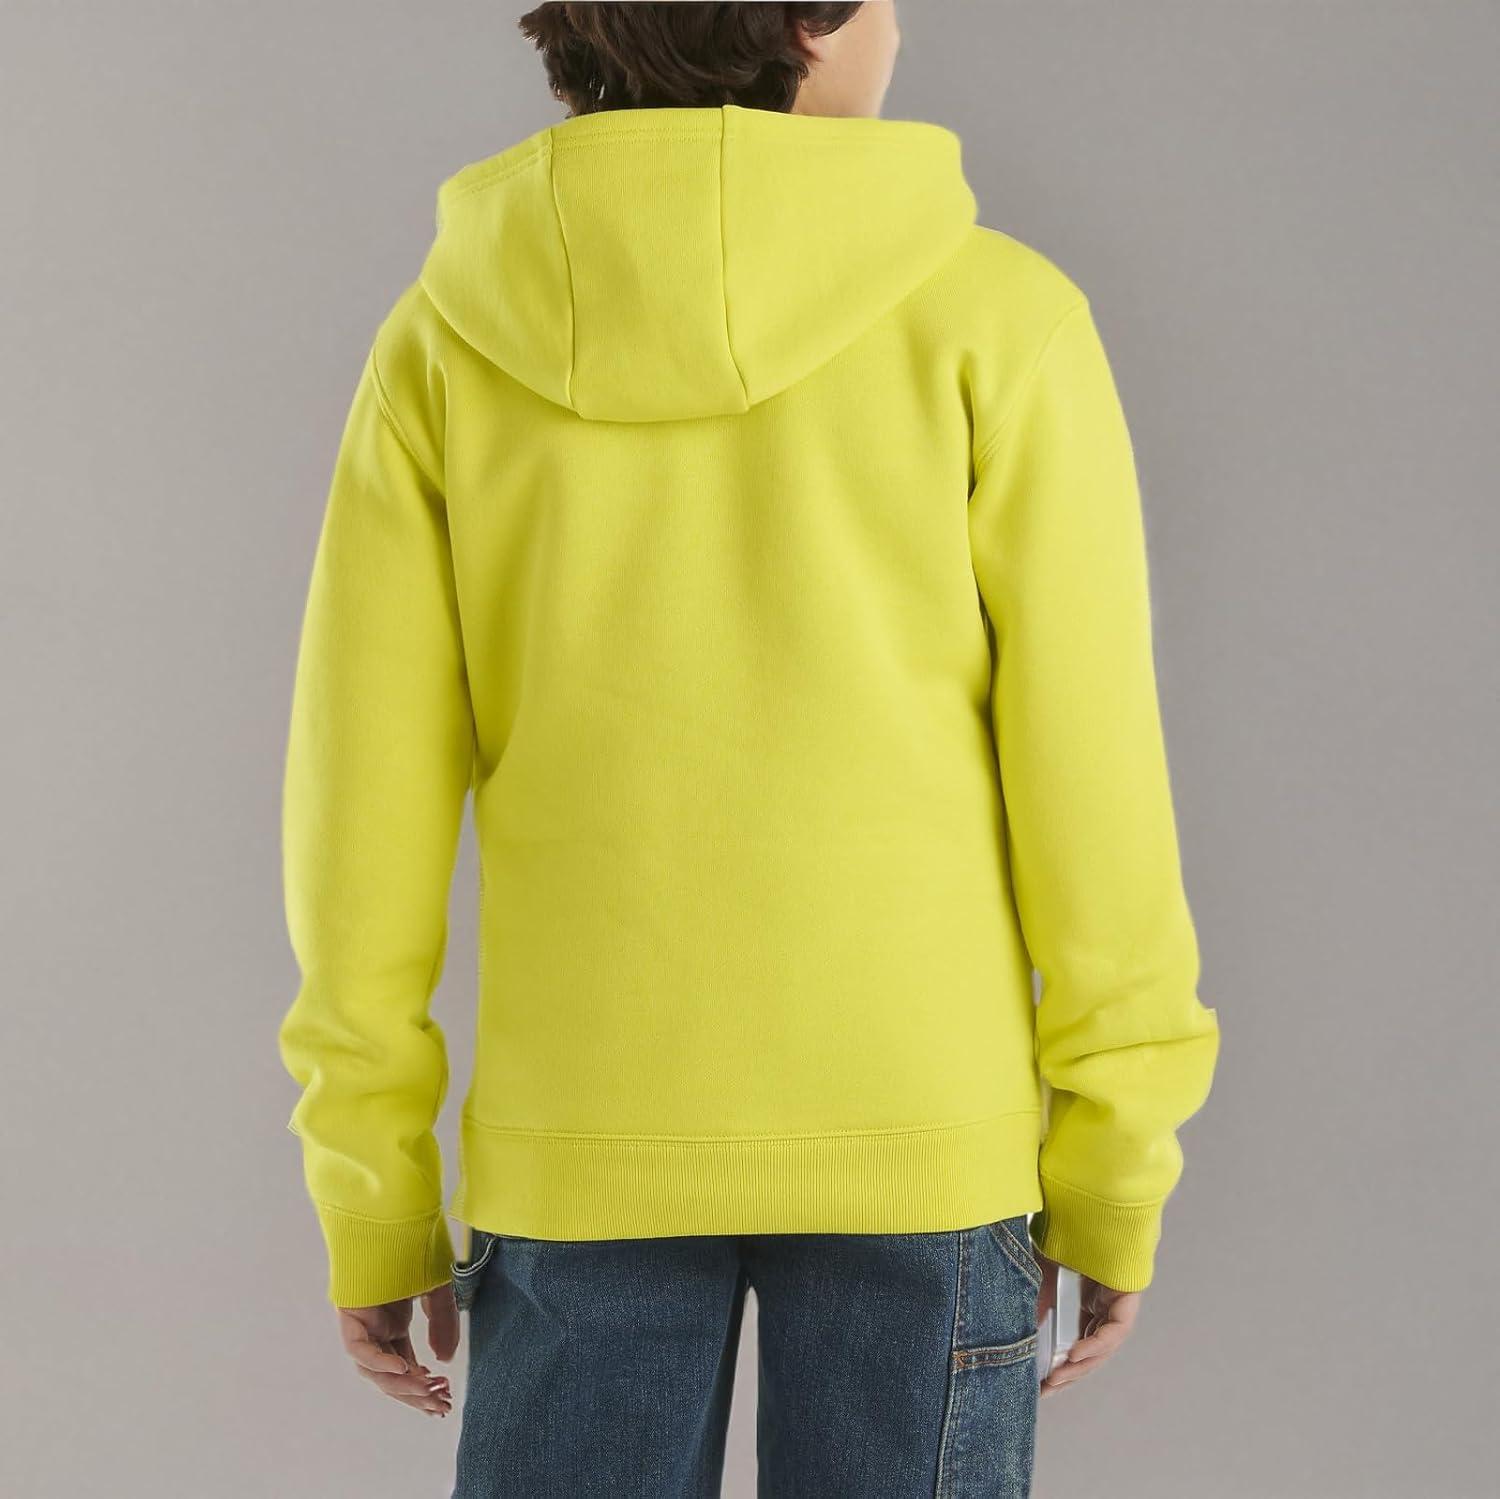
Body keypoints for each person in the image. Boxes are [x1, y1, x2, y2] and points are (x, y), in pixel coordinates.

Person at [277, 3, 1221, 1494]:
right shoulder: (1001, 317)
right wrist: (1117, 1153)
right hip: (925, 1136)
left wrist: (371, 1183)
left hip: (579, 1148)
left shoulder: (446, 337)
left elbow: (359, 812)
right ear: (809, 22)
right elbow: (1091, 776)